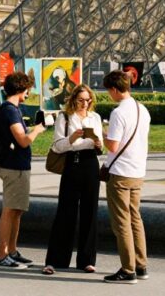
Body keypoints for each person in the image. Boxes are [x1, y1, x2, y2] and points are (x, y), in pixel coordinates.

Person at [42, 84, 102, 276]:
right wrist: (72, 139)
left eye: (88, 100)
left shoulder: (95, 117)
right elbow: (58, 146)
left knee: (89, 212)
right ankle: (56, 260)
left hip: (91, 164)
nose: (85, 104)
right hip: (72, 164)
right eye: (81, 100)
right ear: (73, 99)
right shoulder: (65, 117)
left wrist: (98, 143)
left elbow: (97, 144)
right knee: (65, 212)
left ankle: (86, 260)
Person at [102, 70, 151, 285]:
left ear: (114, 89)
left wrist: (98, 135)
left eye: (108, 91)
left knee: (121, 222)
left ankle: (128, 269)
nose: (109, 95)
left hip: (120, 173)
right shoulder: (143, 109)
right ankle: (141, 265)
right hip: (138, 171)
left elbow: (113, 145)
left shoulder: (118, 113)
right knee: (135, 219)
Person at [0, 71, 47, 270]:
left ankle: (12, 251)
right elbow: (23, 141)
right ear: (21, 89)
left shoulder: (11, 110)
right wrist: (37, 130)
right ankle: (2, 255)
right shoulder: (10, 110)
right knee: (10, 211)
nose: (28, 94)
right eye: (27, 90)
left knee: (16, 211)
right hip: (14, 167)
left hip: (17, 166)